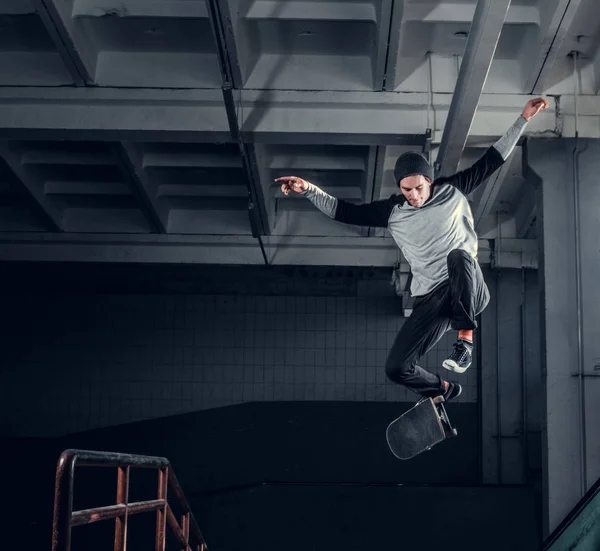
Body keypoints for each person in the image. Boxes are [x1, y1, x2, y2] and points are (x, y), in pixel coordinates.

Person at [275, 97, 549, 402]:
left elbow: (492, 160)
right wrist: (309, 189)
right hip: (430, 298)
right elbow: (345, 212)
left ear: (429, 181)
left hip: (467, 286)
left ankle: (465, 344)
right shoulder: (391, 211)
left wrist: (523, 119)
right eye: (407, 190)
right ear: (400, 188)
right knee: (396, 367)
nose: (415, 196)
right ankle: (443, 390)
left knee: (458, 255)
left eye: (420, 187)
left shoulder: (453, 189)